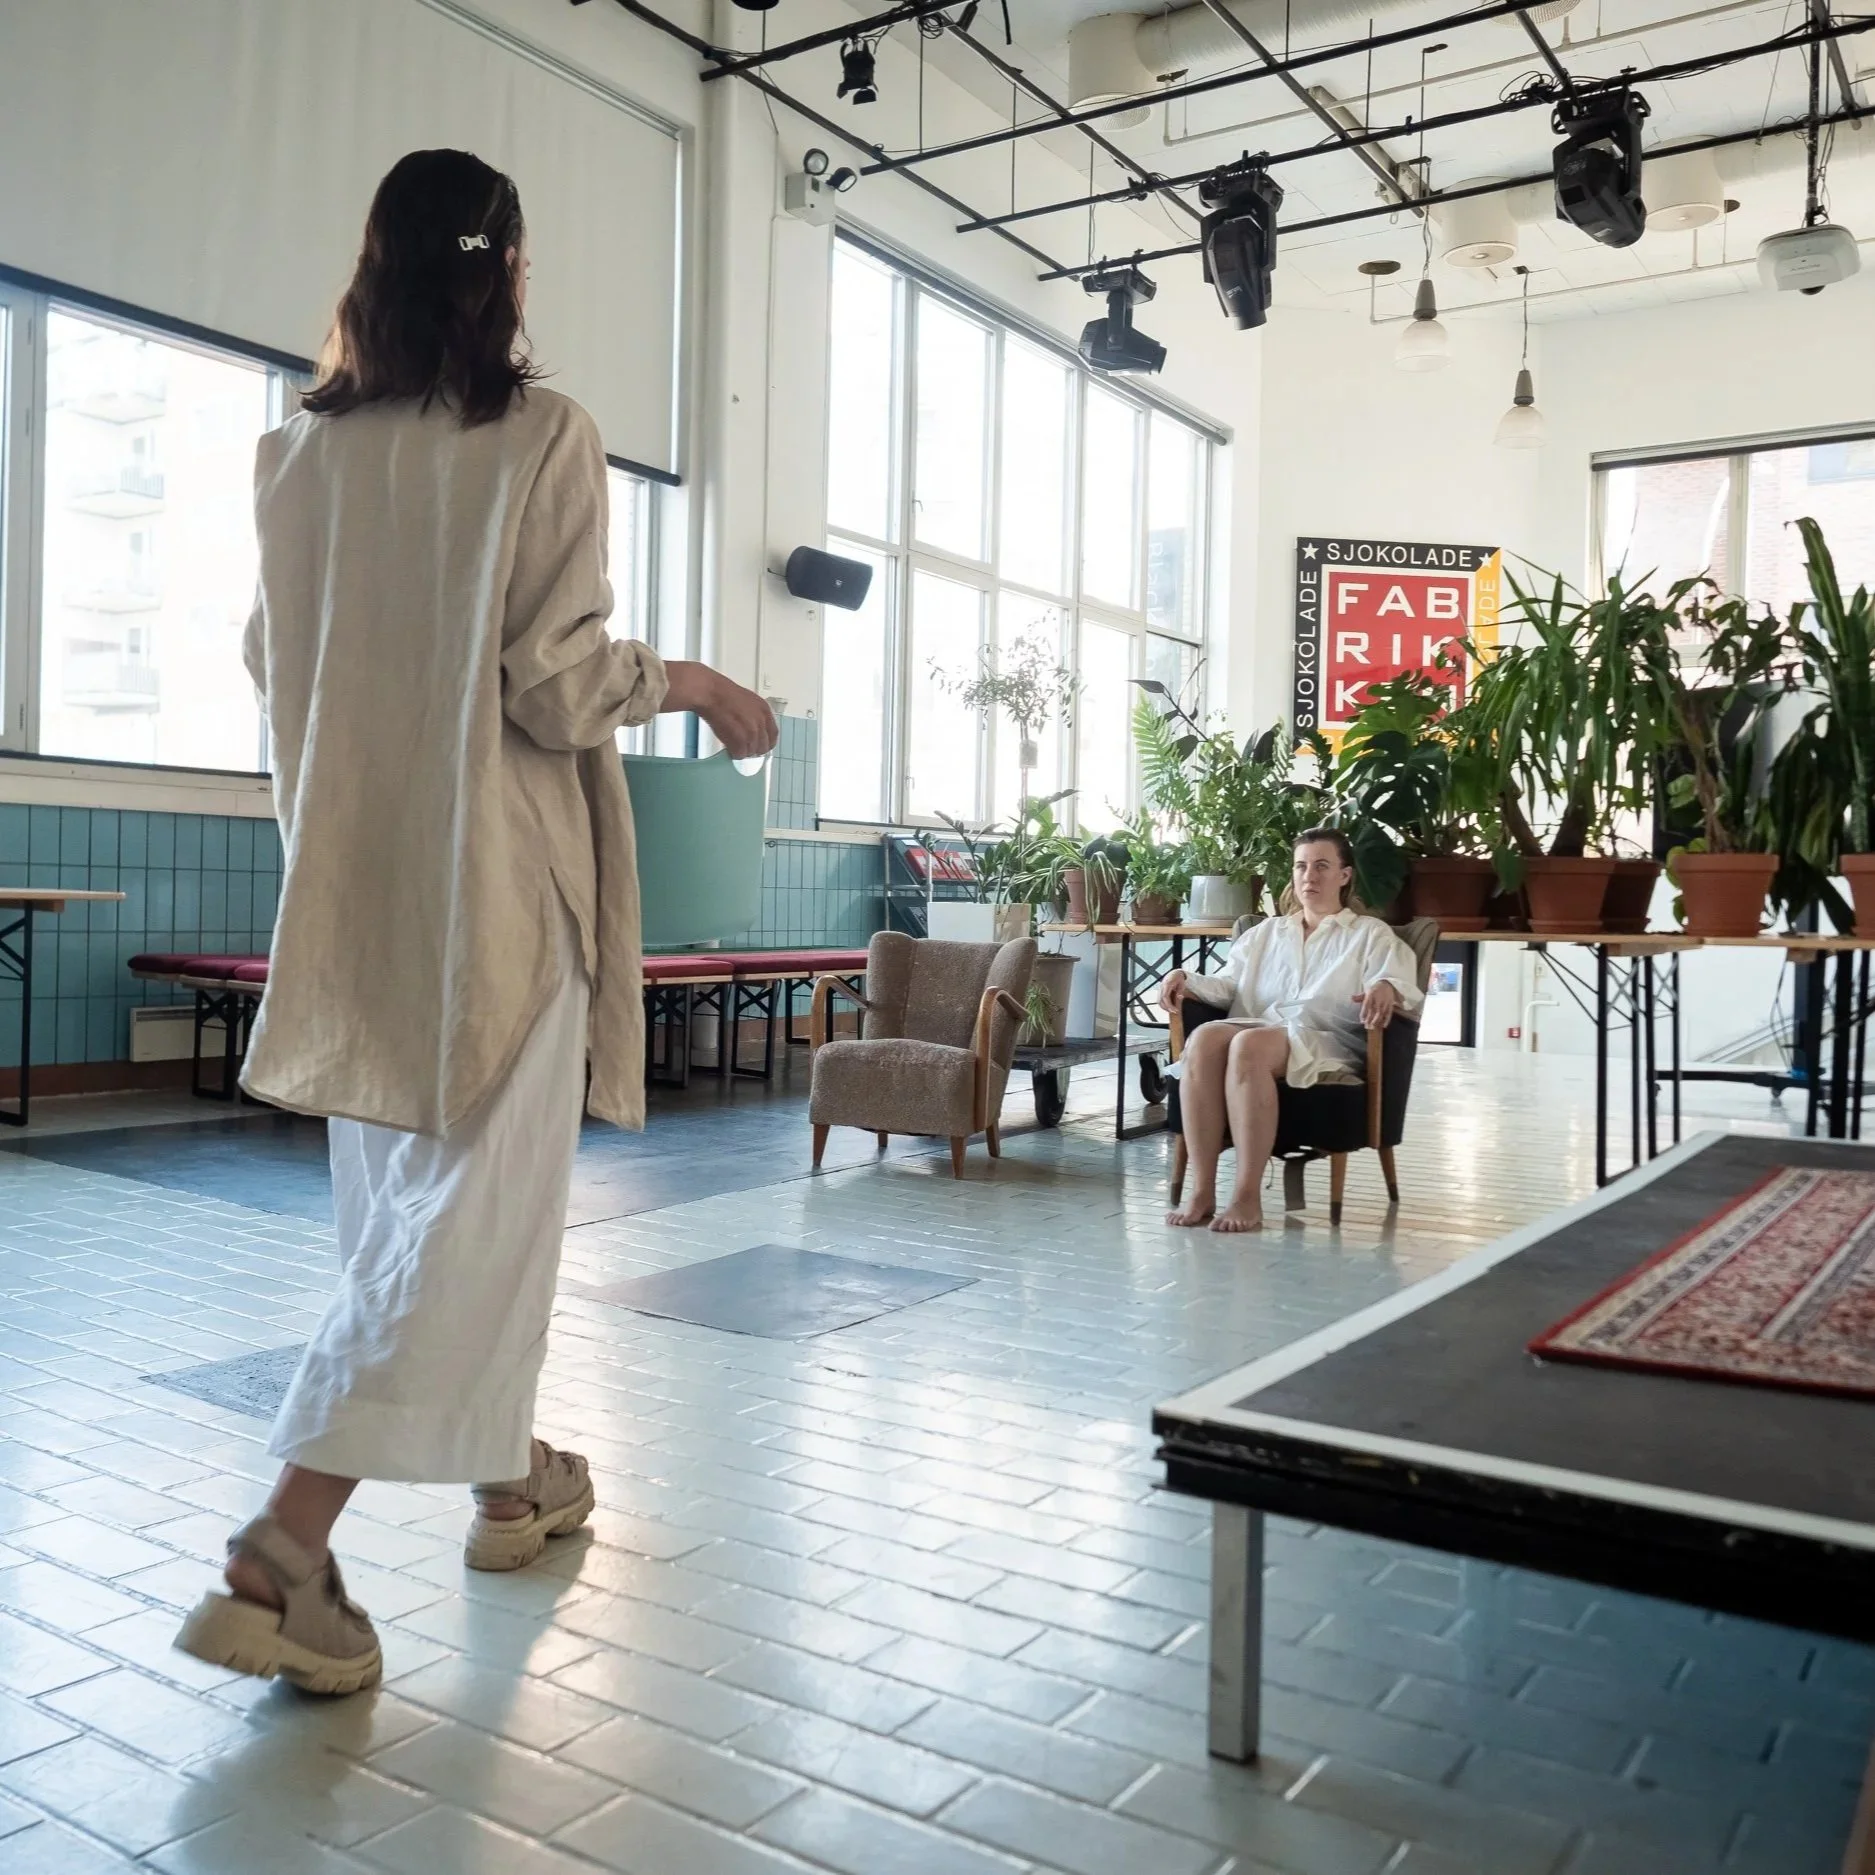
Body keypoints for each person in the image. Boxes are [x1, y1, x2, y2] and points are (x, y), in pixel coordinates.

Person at [174, 150, 777, 1695]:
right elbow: (555, 682)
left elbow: (270, 661)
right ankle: (283, 1550)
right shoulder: (540, 435)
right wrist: (696, 682)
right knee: (467, 1229)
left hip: (350, 897)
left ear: (372, 266)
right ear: (502, 270)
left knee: (411, 1220)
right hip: (499, 893)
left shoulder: (294, 456)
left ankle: (514, 1480)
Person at [1160, 828, 1423, 1234]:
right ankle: (1203, 1191)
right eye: (1301, 866)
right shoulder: (1265, 933)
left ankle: (1246, 1196)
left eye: (1322, 866)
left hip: (1326, 1039)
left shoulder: (1370, 934)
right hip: (1261, 1029)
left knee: (1248, 1044)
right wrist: (1185, 978)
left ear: (1345, 875)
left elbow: (1399, 983)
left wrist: (1386, 986)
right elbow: (1228, 985)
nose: (1309, 876)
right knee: (1205, 1038)